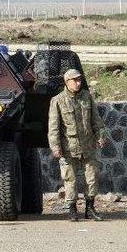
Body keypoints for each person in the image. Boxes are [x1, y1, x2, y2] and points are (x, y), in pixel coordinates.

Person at [48, 69, 105, 221]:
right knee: (69, 179)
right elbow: (53, 127)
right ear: (67, 82)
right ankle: (72, 209)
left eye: (79, 80)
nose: (78, 83)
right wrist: (55, 146)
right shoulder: (58, 100)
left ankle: (90, 208)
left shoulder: (87, 97)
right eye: (75, 80)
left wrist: (100, 136)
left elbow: (96, 120)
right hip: (69, 147)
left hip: (88, 145)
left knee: (91, 177)